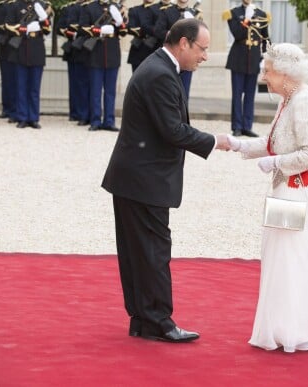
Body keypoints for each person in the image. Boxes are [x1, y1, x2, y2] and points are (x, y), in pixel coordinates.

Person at [102, 19, 230, 343]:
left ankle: (143, 320)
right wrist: (214, 141)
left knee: (138, 253)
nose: (205, 57)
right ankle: (159, 322)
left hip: (134, 178)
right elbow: (172, 130)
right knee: (153, 252)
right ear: (184, 43)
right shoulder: (160, 74)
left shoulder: (158, 66)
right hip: (145, 180)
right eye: (202, 49)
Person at [227, 43, 308, 353]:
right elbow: (277, 142)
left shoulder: (303, 101)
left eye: (268, 71)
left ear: (286, 75)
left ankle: (297, 331)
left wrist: (274, 163)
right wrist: (238, 145)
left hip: (304, 189)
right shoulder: (289, 98)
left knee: (293, 258)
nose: (264, 76)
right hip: (289, 188)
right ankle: (283, 326)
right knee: (279, 256)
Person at [223, 0, 271, 138]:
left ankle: (247, 126)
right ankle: (237, 126)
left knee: (250, 95)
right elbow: (237, 34)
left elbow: (265, 38)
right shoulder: (233, 13)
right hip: (238, 58)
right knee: (237, 95)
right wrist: (247, 20)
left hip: (254, 59)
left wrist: (266, 57)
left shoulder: (262, 15)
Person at [79, 0, 127, 132]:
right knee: (95, 91)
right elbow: (82, 27)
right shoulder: (90, 7)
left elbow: (123, 31)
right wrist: (98, 30)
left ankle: (109, 121)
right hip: (96, 53)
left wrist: (119, 21)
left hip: (112, 53)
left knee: (110, 91)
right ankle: (95, 120)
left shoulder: (116, 8)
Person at [5, 0, 52, 129]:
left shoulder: (42, 5)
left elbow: (48, 29)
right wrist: (24, 28)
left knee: (34, 88)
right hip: (20, 50)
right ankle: (22, 117)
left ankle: (33, 118)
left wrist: (43, 18)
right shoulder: (15, 5)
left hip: (37, 50)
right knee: (21, 87)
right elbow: (8, 26)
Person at [154, 0, 202, 98]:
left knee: (184, 93)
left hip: (187, 58)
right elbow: (158, 31)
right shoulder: (167, 11)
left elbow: (199, 36)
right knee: (167, 93)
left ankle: (182, 114)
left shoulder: (196, 14)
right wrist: (173, 34)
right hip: (170, 58)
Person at [126, 0, 160, 73]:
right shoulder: (135, 10)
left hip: (156, 50)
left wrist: (144, 28)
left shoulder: (162, 10)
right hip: (138, 50)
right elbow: (130, 28)